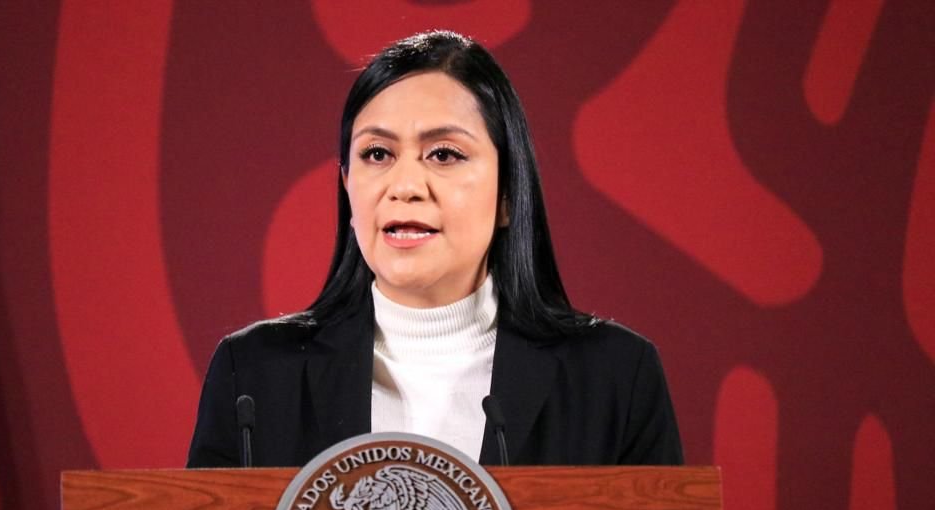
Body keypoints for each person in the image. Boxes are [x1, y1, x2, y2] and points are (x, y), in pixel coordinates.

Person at [188, 30, 682, 468]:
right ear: (347, 185)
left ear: (509, 193)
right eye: (377, 154)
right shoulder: (252, 378)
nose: (404, 186)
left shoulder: (616, 378)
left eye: (444, 154)